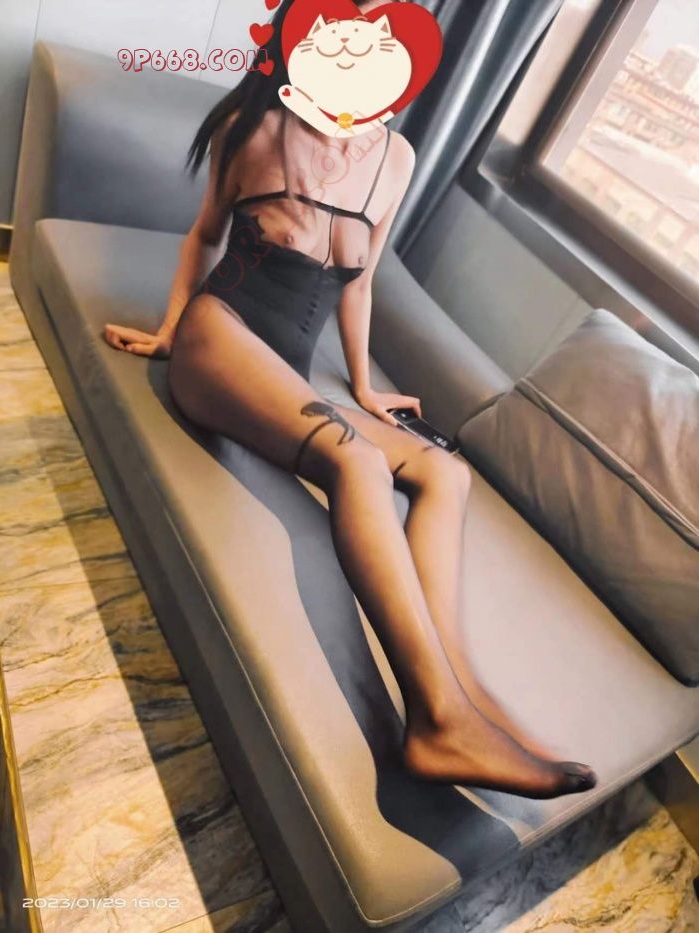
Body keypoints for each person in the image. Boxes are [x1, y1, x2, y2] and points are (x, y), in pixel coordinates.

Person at [103, 0, 597, 799]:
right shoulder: (254, 127)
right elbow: (204, 234)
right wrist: (168, 332)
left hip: (291, 372)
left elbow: (359, 282)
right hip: (219, 342)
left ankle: (463, 690)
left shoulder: (394, 157)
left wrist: (362, 386)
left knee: (446, 473)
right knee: (357, 461)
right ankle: (437, 719)